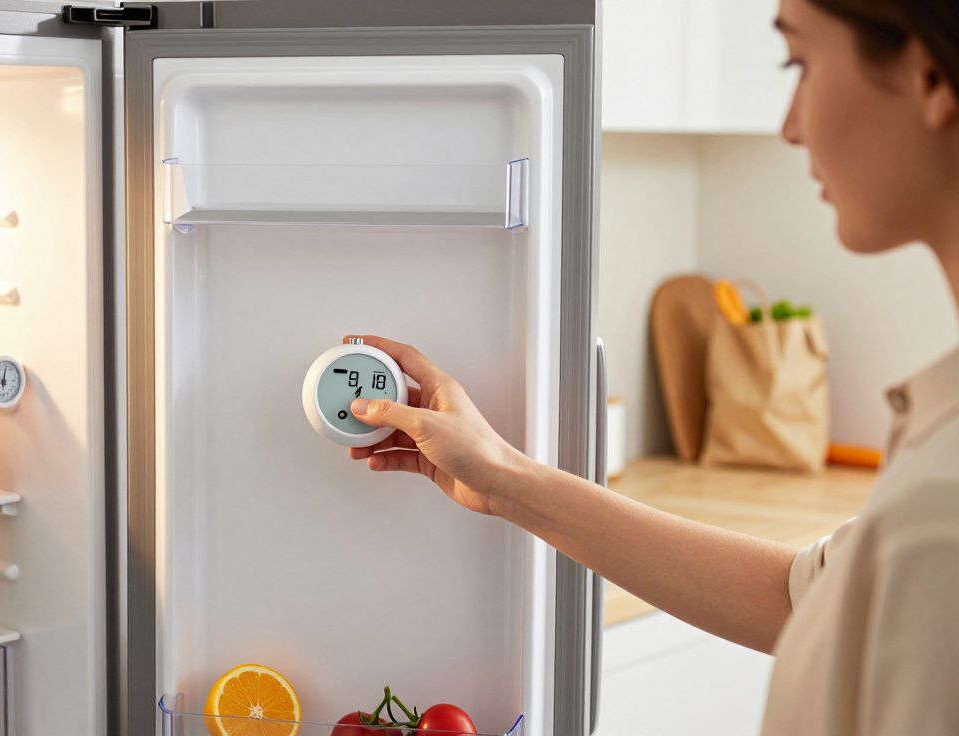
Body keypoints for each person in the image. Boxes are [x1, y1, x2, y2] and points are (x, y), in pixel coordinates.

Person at [343, 1, 959, 733]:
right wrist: (502, 478)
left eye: (799, 63)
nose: (790, 125)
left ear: (927, 76)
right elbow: (803, 596)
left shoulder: (939, 518)